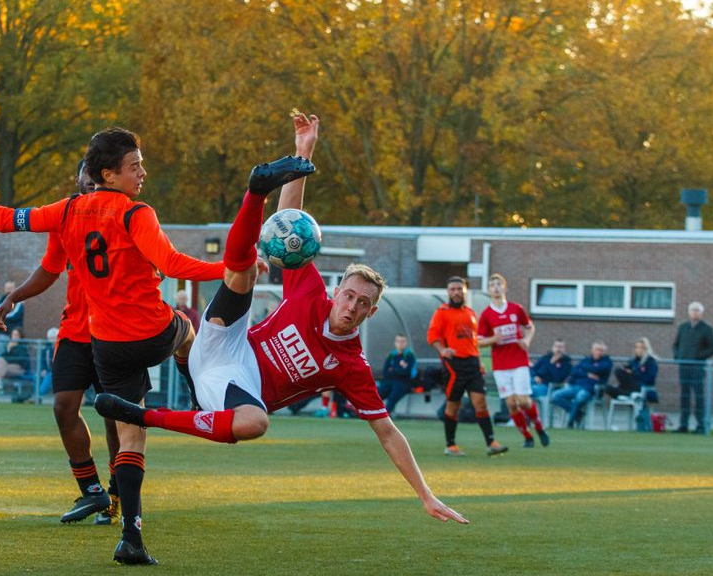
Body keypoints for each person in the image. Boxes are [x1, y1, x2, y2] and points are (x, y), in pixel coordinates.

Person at [92, 112, 467, 534]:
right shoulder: (309, 292)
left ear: (370, 313)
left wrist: (425, 493)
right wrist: (303, 152)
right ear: (336, 289)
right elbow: (288, 223)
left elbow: (389, 433)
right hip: (224, 346)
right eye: (348, 294)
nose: (351, 306)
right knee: (248, 265)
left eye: (362, 304)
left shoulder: (351, 365)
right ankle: (255, 191)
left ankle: (145, 415)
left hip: (234, 394)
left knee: (256, 423)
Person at [0, 126, 230, 565]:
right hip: (151, 333)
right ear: (109, 173)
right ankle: (194, 386)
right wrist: (231, 267)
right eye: (135, 166)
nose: (143, 172)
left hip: (109, 345)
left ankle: (132, 538)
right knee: (187, 332)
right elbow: (172, 264)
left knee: (129, 436)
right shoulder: (136, 214)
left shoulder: (64, 213)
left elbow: (7, 219)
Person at [0, 160, 122, 526]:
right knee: (63, 406)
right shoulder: (66, 215)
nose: (90, 182)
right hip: (76, 330)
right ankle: (92, 490)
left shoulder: (126, 215)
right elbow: (49, 268)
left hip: (115, 332)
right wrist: (14, 297)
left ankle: (119, 492)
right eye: (86, 176)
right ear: (79, 179)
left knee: (114, 412)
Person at [428, 276, 508, 457]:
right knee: (453, 406)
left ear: (465, 290)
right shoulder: (441, 312)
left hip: (472, 364)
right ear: (448, 292)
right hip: (453, 365)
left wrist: (479, 362)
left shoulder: (471, 313)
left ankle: (491, 443)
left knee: (480, 402)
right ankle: (450, 445)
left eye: (459, 289)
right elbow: (432, 336)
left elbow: (473, 341)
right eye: (452, 289)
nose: (456, 292)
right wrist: (443, 349)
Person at [477, 273, 548, 448]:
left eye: (498, 284)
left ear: (505, 287)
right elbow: (479, 341)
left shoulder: (516, 309)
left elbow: (530, 327)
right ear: (488, 290)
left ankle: (539, 427)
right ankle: (527, 436)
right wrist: (493, 339)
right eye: (492, 285)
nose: (496, 287)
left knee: (523, 400)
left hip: (519, 361)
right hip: (501, 364)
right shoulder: (486, 315)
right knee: (511, 403)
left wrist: (526, 340)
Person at [672, 302, 713, 434]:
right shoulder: (683, 327)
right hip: (684, 366)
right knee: (684, 395)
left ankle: (700, 425)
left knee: (698, 396)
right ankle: (683, 424)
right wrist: (678, 356)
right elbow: (676, 344)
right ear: (688, 312)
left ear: (701, 313)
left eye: (697, 310)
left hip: (697, 367)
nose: (695, 312)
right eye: (692, 310)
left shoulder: (707, 329)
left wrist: (698, 357)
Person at [551, 341, 612, 428]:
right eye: (597, 349)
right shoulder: (586, 360)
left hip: (590, 389)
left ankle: (570, 422)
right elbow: (573, 371)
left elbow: (598, 369)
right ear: (592, 350)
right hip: (576, 386)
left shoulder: (607, 362)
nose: (599, 352)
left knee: (579, 397)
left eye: (601, 350)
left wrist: (584, 369)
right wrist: (587, 374)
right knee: (555, 396)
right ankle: (578, 414)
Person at [0, 328, 30, 399]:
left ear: (20, 336)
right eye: (13, 335)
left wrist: (10, 352)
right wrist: (8, 349)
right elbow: (4, 357)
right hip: (6, 368)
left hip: (19, 369)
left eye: (16, 335)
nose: (14, 337)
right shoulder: (10, 345)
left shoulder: (22, 347)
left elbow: (19, 360)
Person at [379, 333, 416, 416]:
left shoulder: (409, 355)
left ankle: (385, 416)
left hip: (404, 382)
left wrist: (393, 370)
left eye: (403, 341)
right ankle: (369, 413)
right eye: (398, 341)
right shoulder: (391, 355)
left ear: (406, 343)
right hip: (389, 380)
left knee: (393, 395)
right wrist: (399, 370)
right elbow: (385, 372)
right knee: (379, 394)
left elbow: (407, 372)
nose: (400, 343)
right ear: (395, 343)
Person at [0, 281, 24, 353]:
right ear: (4, 289)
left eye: (11, 288)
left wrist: (0, 316)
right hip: (1, 335)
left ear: (15, 289)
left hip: (13, 337)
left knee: (12, 358)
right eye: (7, 288)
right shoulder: (0, 299)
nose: (8, 290)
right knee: (0, 357)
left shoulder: (19, 300)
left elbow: (15, 316)